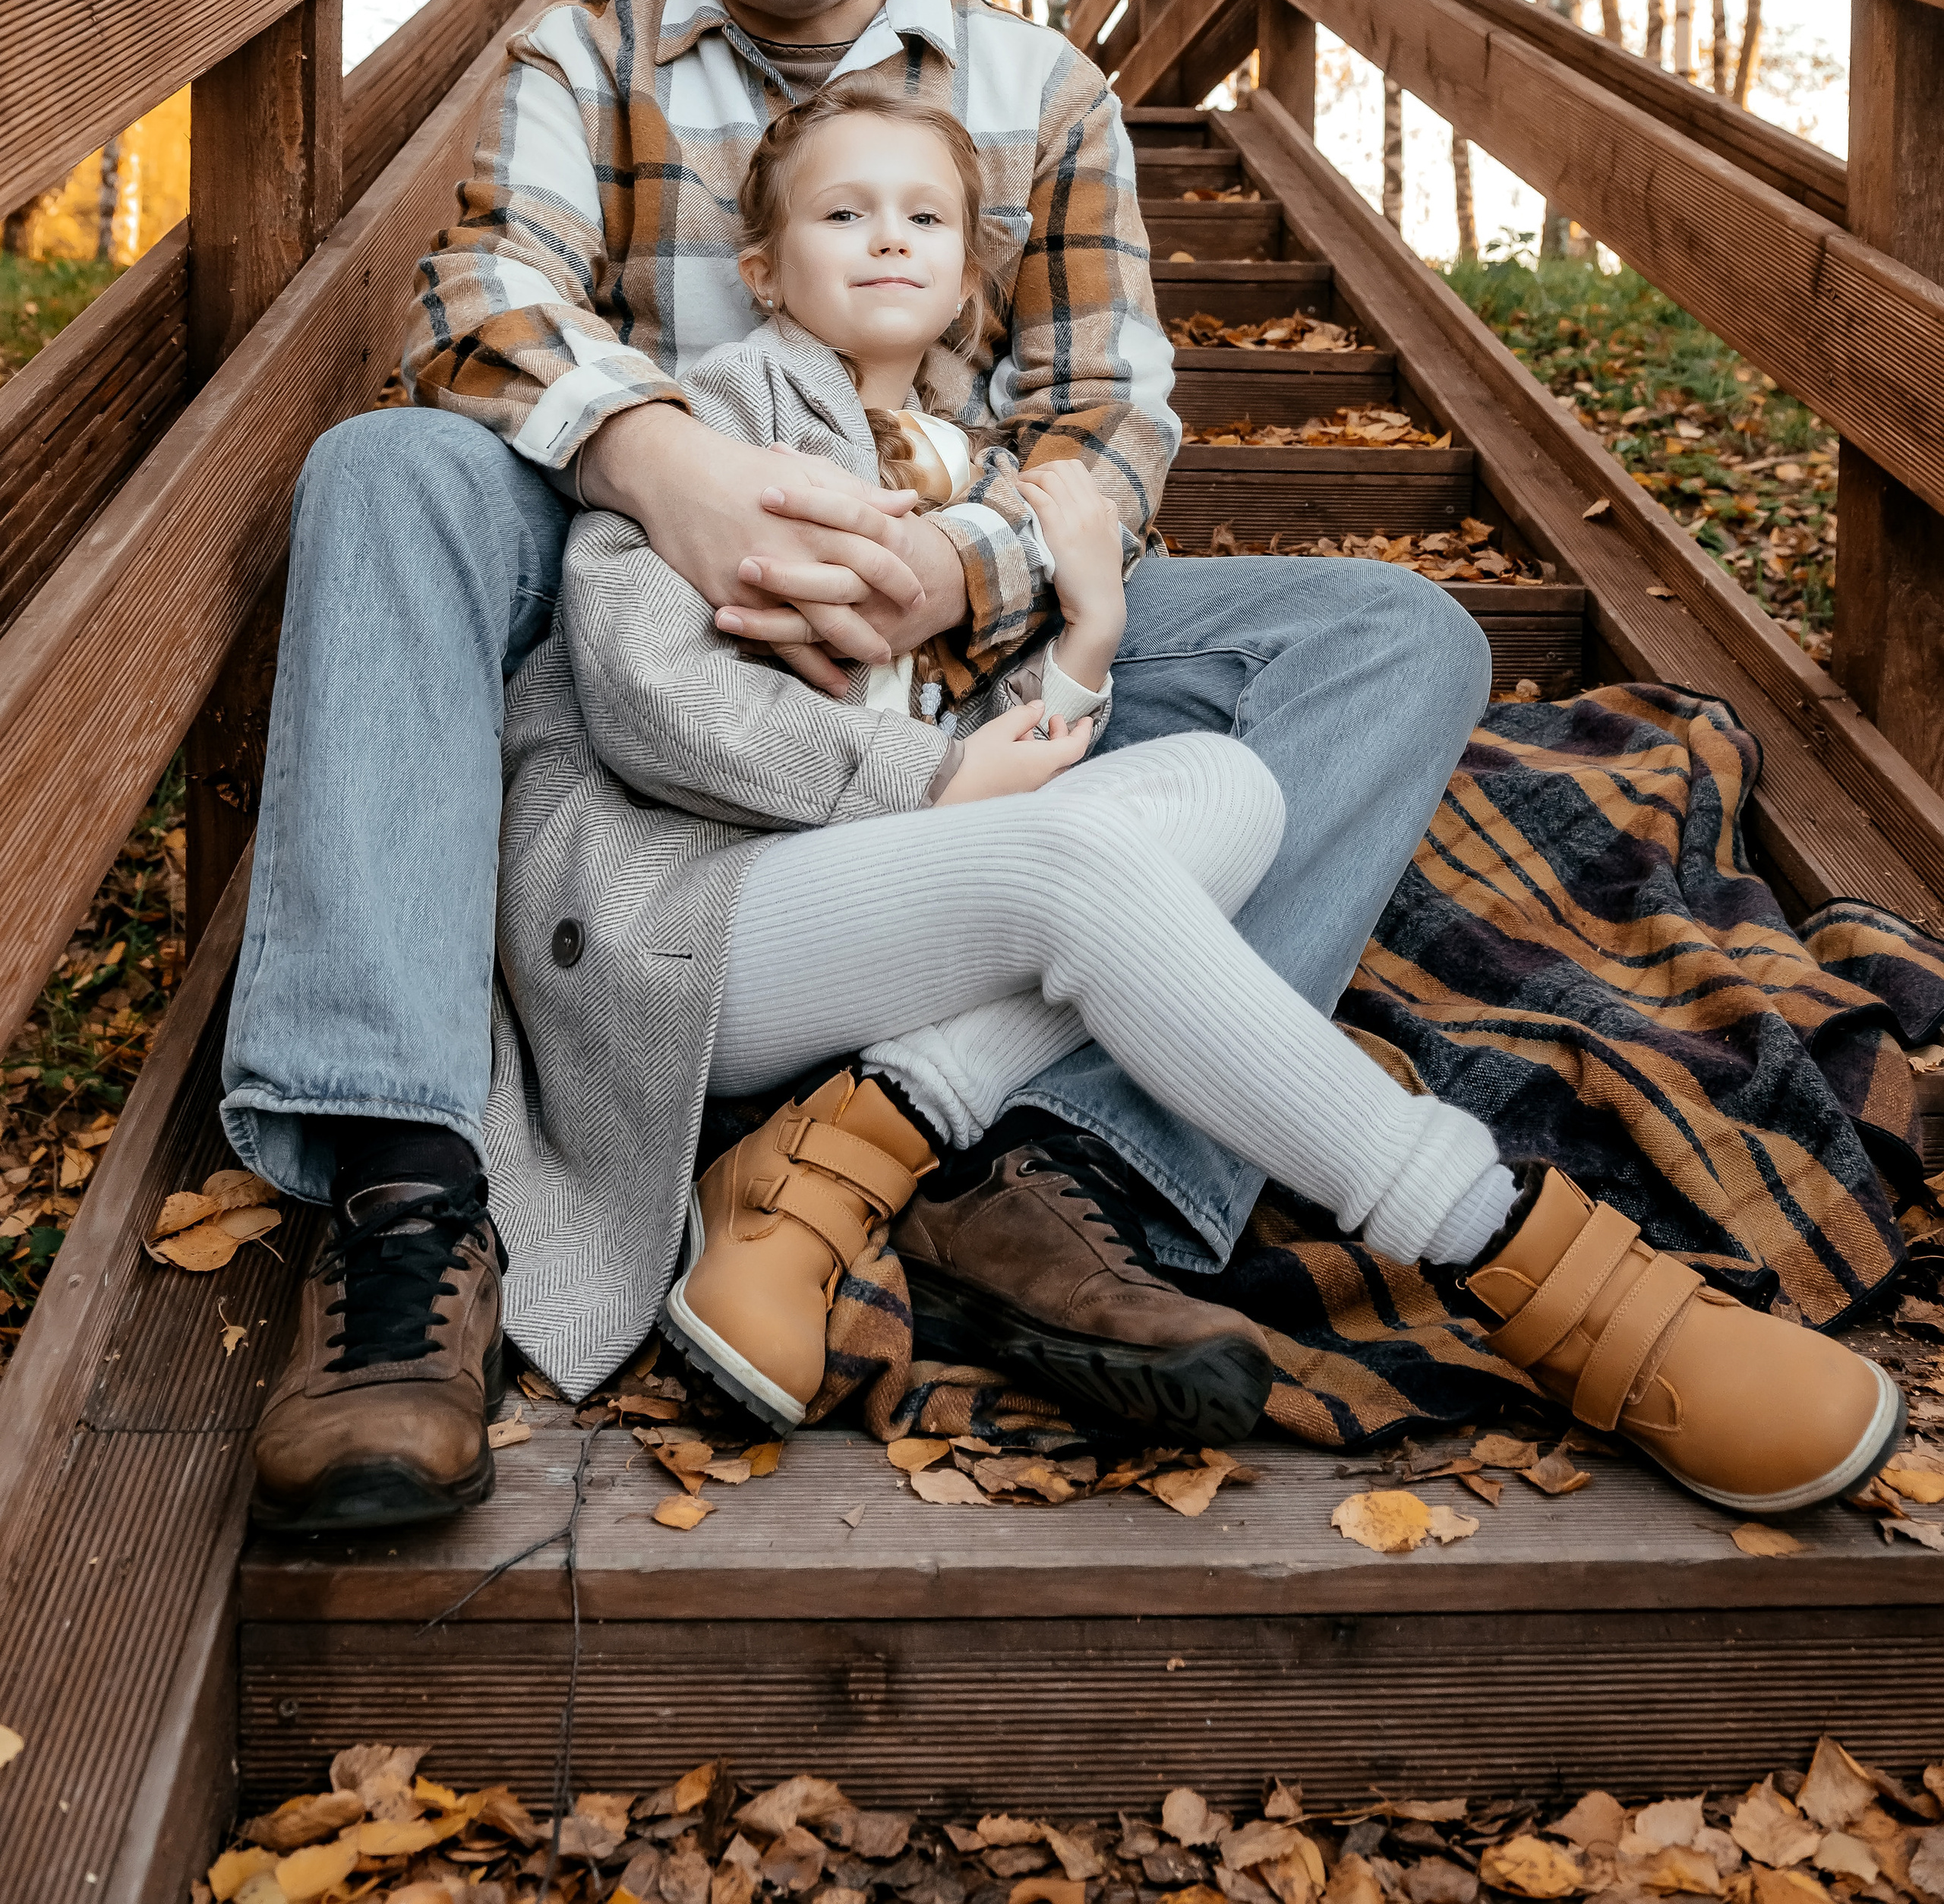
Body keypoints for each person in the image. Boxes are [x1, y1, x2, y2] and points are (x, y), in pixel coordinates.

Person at [226, 0, 1504, 1532]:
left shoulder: (1040, 89)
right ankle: (408, 1195)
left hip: (961, 621)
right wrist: (666, 467)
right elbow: (480, 300)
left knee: (1395, 633)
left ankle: (1063, 1168)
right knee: (386, 463)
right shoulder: (584, 61)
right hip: (645, 618)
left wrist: (946, 571)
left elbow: (1105, 423)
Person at [253, 87, 1911, 1536]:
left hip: (860, 919)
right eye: (842, 214)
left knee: (1227, 788)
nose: (886, 240)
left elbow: (1028, 680)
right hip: (669, 916)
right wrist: (929, 783)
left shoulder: (977, 472)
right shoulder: (714, 418)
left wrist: (1068, 662)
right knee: (1072, 867)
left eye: (922, 218)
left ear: (974, 274)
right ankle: (1514, 1254)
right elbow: (643, 691)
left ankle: (856, 1141)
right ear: (762, 266)